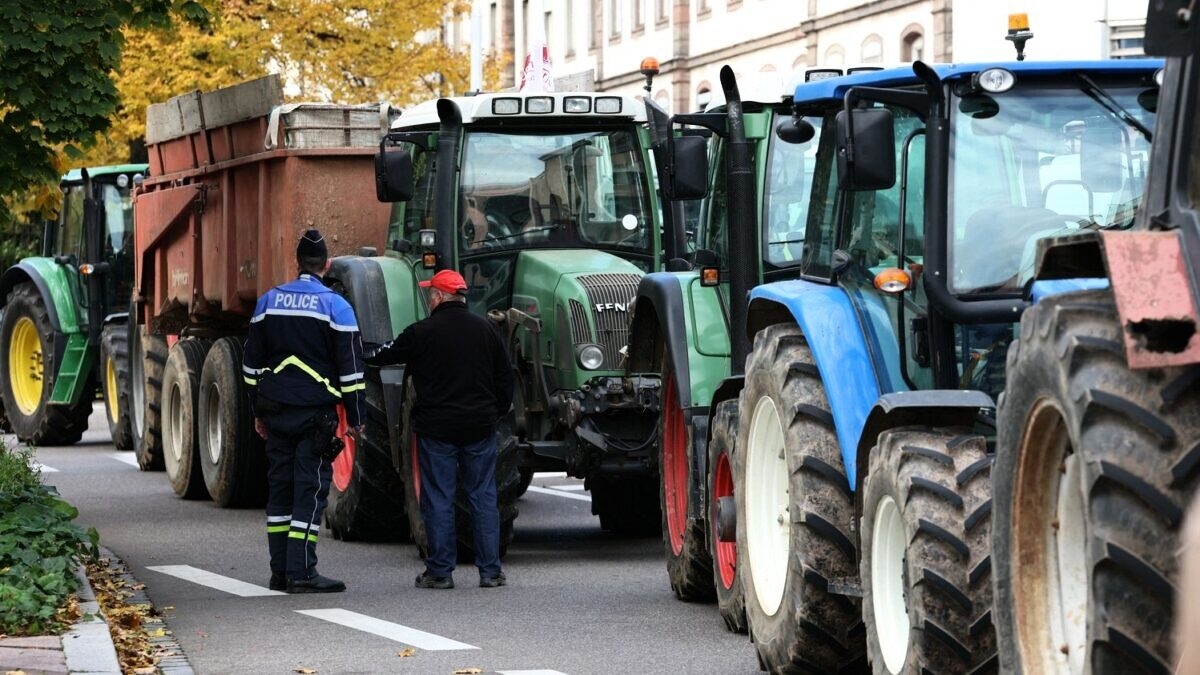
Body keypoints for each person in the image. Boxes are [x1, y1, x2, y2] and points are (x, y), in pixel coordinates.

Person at [364, 269, 513, 589]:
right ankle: (490, 571)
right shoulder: (487, 330)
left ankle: (440, 572)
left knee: (439, 498)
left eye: (431, 293)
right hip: (479, 427)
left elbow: (382, 356)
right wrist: (495, 413)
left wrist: (357, 347)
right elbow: (505, 378)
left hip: (437, 430)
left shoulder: (422, 331)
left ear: (439, 297)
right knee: (483, 497)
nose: (429, 297)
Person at [242, 229, 365, 594]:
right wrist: (356, 419)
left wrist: (258, 412)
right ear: (326, 265)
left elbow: (250, 367)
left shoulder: (268, 302)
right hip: (315, 417)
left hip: (277, 413)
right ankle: (302, 573)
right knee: (309, 492)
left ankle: (279, 571)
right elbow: (353, 373)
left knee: (279, 492)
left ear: (296, 264)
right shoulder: (336, 307)